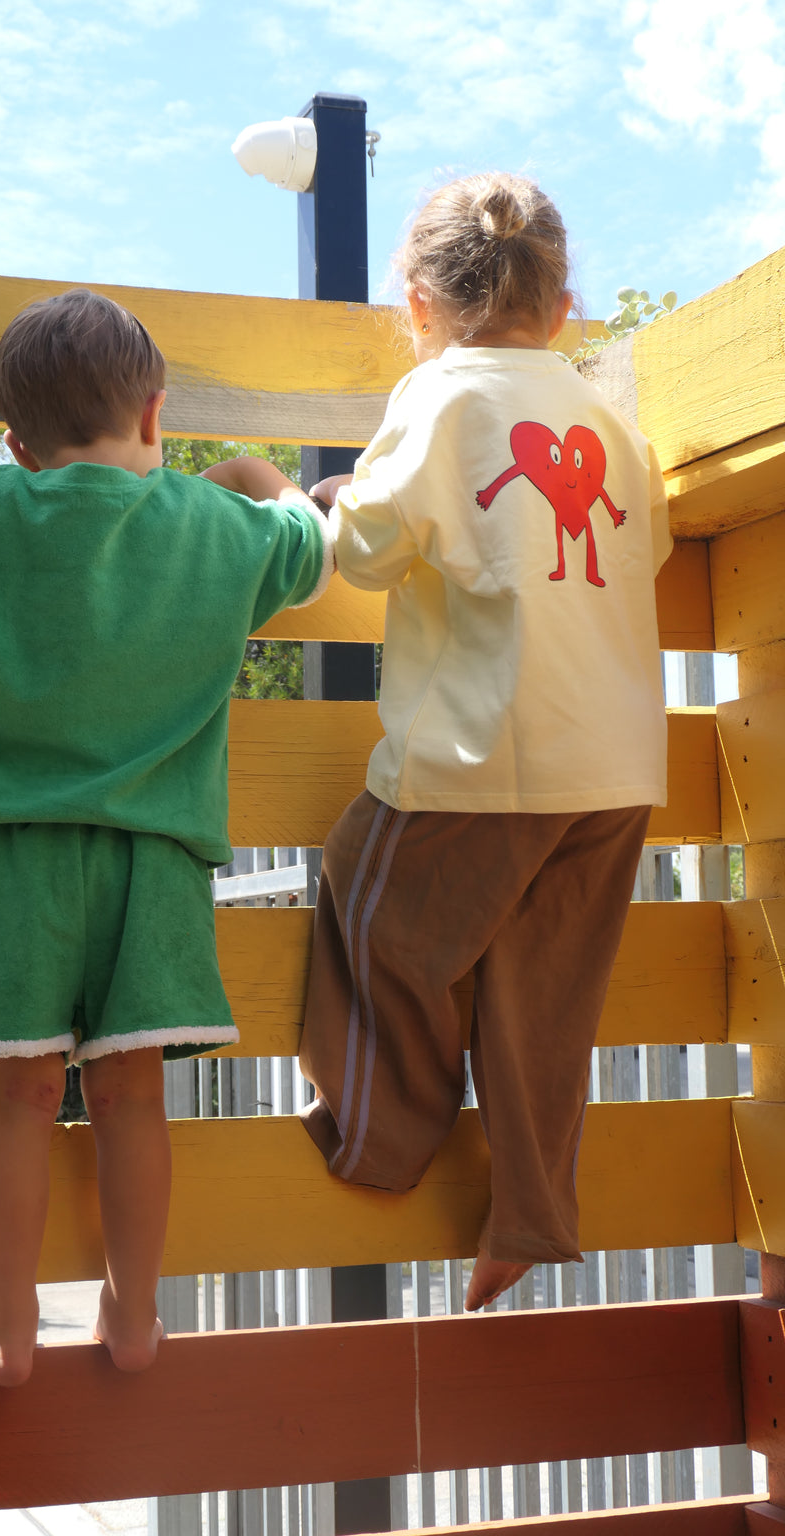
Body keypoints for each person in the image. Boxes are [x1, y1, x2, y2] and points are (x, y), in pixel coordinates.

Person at [0, 288, 333, 1385]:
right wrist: (250, 476)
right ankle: (131, 1316)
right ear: (156, 411)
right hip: (153, 864)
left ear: (15, 441)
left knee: (13, 1098)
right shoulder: (217, 528)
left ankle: (11, 1333)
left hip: (7, 857)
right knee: (133, 1099)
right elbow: (311, 544)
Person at [298, 172, 671, 1312]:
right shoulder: (609, 417)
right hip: (611, 766)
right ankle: (529, 1216)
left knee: (373, 910)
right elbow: (642, 549)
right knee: (543, 1002)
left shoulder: (441, 393)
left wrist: (301, 491)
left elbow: (363, 548)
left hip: (478, 759)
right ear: (562, 308)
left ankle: (377, 1142)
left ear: (413, 300)